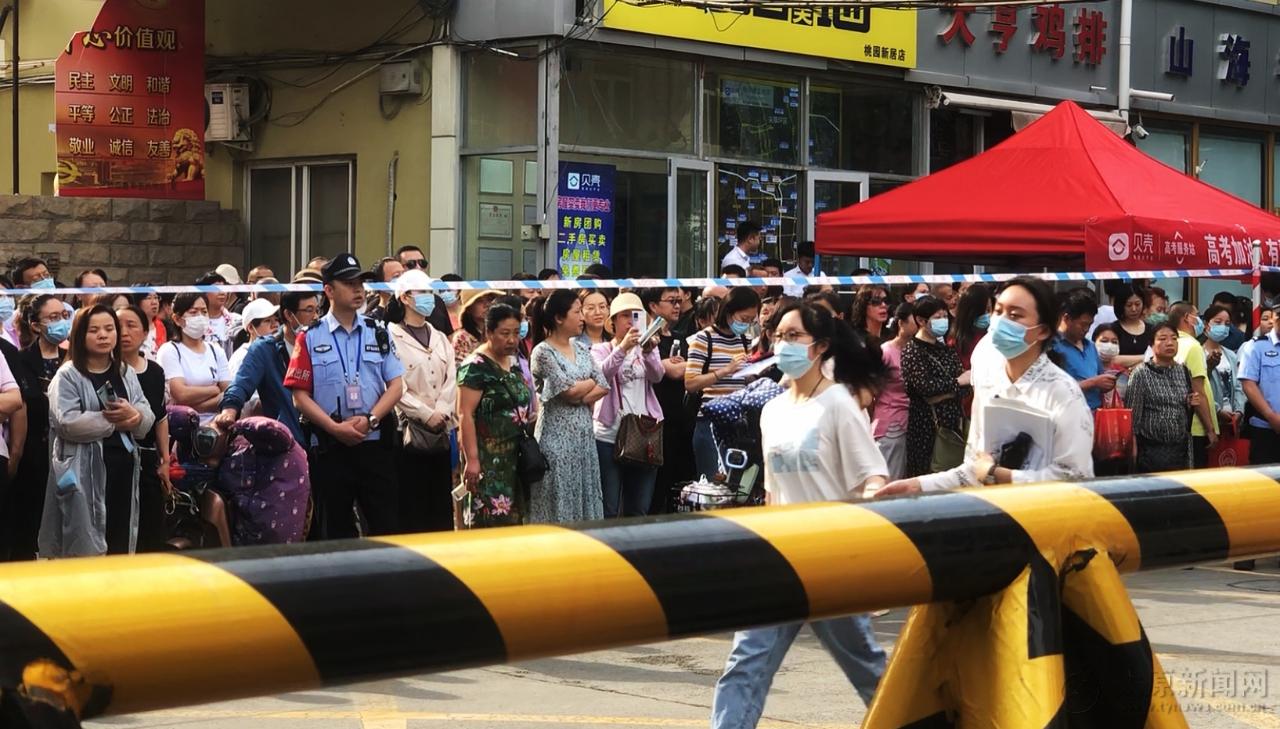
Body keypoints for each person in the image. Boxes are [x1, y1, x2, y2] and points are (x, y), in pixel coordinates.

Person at [711, 302, 887, 729]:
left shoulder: (839, 404)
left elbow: (873, 476)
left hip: (831, 560)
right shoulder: (773, 410)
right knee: (745, 663)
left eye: (794, 336)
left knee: (866, 668)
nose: (783, 345)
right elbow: (773, 490)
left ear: (820, 346)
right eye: (778, 336)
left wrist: (864, 533)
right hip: (781, 557)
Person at [881, 277, 1094, 495]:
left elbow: (1076, 477)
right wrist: (918, 485)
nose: (1001, 321)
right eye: (998, 311)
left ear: (1043, 330)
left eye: (1015, 315)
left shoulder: (1063, 392)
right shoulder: (989, 384)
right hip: (994, 510)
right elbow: (972, 471)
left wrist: (998, 474)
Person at [285, 253, 404, 540]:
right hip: (331, 446)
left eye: (360, 283)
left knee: (386, 526)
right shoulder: (309, 336)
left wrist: (371, 419)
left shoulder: (378, 332)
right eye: (349, 284)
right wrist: (334, 427)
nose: (358, 290)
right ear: (329, 290)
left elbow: (396, 385)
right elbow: (300, 396)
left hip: (374, 442)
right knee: (336, 530)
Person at [38, 305, 155, 557]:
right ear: (80, 335)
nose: (103, 335)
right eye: (94, 330)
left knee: (120, 535)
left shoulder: (124, 371)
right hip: (82, 471)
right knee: (84, 541)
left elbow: (146, 415)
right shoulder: (68, 375)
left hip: (123, 469)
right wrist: (114, 421)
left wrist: (135, 417)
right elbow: (68, 423)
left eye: (109, 328)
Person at [528, 290, 608, 523]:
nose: (582, 317)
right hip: (556, 439)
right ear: (559, 318)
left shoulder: (581, 348)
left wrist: (580, 394)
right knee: (558, 499)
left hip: (584, 438)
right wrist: (587, 384)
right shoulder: (543, 352)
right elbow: (568, 392)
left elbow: (603, 385)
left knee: (585, 497)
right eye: (577, 312)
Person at [389, 269, 457, 533]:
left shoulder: (439, 337)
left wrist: (441, 410)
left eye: (430, 292)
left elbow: (451, 377)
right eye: (422, 292)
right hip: (408, 432)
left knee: (440, 504)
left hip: (441, 430)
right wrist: (424, 413)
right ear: (405, 298)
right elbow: (395, 385)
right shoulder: (391, 336)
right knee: (411, 505)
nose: (429, 297)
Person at [457, 302, 532, 528]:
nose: (512, 340)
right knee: (488, 520)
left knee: (514, 521)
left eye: (516, 333)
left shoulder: (513, 361)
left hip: (515, 457)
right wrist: (472, 460)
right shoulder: (475, 366)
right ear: (489, 332)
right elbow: (465, 414)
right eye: (505, 334)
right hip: (487, 458)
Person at [5, 295, 69, 560]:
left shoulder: (73, 360)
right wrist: (16, 453)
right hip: (33, 455)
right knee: (28, 526)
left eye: (64, 316)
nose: (61, 322)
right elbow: (19, 406)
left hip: (69, 454)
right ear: (35, 324)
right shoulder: (20, 360)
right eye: (52, 318)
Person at [591, 293, 664, 519]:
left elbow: (658, 376)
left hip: (644, 434)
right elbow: (601, 375)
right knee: (608, 507)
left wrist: (648, 352)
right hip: (608, 435)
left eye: (636, 315)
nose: (630, 321)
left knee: (638, 508)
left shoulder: (648, 347)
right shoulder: (600, 349)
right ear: (613, 321)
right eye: (624, 316)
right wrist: (622, 348)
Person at [216, 292, 319, 445]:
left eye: (318, 310)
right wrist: (229, 409)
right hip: (286, 442)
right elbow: (241, 384)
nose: (316, 317)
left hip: (326, 437)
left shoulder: (324, 345)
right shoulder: (265, 349)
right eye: (309, 310)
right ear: (289, 315)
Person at [115, 304, 173, 552]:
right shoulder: (106, 370)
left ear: (145, 331)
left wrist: (165, 460)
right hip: (115, 457)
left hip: (147, 458)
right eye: (118, 326)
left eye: (131, 325)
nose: (124, 332)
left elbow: (160, 417)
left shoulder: (155, 371)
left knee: (149, 529)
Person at [685, 287, 760, 479]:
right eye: (743, 319)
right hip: (710, 421)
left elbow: (743, 379)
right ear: (728, 311)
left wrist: (753, 374)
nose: (746, 324)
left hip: (737, 422)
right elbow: (691, 383)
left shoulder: (745, 340)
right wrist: (725, 370)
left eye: (751, 320)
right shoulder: (704, 338)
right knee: (714, 483)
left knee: (736, 485)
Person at [900, 296, 968, 478]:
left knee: (952, 477)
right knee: (926, 477)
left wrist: (946, 391)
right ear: (921, 321)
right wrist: (956, 383)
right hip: (926, 429)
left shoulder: (945, 348)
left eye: (945, 316)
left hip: (952, 426)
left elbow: (967, 385)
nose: (943, 321)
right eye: (938, 317)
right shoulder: (913, 351)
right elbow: (926, 389)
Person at [641, 286, 690, 513]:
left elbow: (688, 369)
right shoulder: (646, 340)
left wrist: (672, 365)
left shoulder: (681, 337)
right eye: (671, 301)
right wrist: (667, 366)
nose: (677, 306)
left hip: (679, 418)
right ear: (653, 305)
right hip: (652, 420)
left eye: (679, 301)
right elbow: (671, 372)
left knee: (676, 480)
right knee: (654, 486)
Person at [1127, 322, 1196, 472]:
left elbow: (1185, 411)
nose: (1169, 343)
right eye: (1162, 339)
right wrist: (1133, 449)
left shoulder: (1184, 371)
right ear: (1151, 344)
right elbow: (1132, 417)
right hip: (1151, 450)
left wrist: (1190, 403)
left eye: (1174, 338)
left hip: (1180, 448)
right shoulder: (1141, 373)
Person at [156, 293, 231, 425]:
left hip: (216, 425)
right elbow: (181, 394)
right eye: (193, 312)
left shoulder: (216, 350)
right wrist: (214, 390)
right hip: (183, 426)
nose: (200, 317)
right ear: (177, 319)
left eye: (204, 312)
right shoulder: (170, 350)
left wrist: (198, 405)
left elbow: (229, 392)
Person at [1168, 302, 1219, 467]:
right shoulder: (1193, 346)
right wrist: (1210, 429)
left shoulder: (1172, 344)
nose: (1200, 321)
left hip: (1178, 424)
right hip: (1196, 425)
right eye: (1197, 315)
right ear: (1187, 318)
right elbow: (1198, 391)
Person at [1052, 287, 1113, 411]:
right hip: (1067, 413)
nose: (1086, 329)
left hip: (1095, 414)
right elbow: (1053, 389)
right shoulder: (1052, 346)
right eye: (1083, 324)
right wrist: (1092, 383)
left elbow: (1100, 376)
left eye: (1090, 325)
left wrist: (1106, 382)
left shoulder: (1090, 347)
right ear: (1066, 318)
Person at [875, 303, 915, 480]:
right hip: (892, 425)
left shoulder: (916, 350)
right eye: (915, 320)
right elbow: (872, 391)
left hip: (912, 423)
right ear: (901, 323)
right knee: (890, 480)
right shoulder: (886, 351)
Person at [1201, 304, 1246, 430]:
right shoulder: (1199, 353)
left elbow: (1239, 385)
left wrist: (1239, 410)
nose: (1223, 327)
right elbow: (1200, 387)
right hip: (1209, 419)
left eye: (1227, 324)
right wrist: (1217, 410)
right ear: (1206, 324)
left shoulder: (1231, 355)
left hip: (1232, 419)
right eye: (1218, 322)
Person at [228, 298, 280, 380]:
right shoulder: (242, 357)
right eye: (267, 321)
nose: (275, 325)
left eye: (276, 320)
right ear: (251, 328)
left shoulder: (280, 350)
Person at [195, 271, 242, 360]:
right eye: (216, 288)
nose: (222, 293)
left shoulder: (237, 320)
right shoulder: (195, 322)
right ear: (204, 292)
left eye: (224, 288)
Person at [451, 289, 502, 365]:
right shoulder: (462, 338)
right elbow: (461, 368)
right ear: (469, 309)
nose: (487, 305)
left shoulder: (500, 333)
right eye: (479, 301)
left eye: (489, 299)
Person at [952, 283, 994, 370]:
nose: (987, 315)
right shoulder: (956, 342)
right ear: (970, 313)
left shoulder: (994, 335)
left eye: (988, 310)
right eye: (982, 311)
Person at [1110, 283, 1151, 369]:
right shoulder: (1112, 329)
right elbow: (1111, 359)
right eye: (1129, 305)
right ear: (1121, 306)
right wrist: (1145, 357)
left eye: (1137, 304)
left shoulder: (1151, 329)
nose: (1134, 309)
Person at [1092, 324, 1127, 408]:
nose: (1109, 346)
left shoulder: (1124, 374)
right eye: (1104, 341)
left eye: (1114, 342)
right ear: (1093, 342)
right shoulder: (1087, 370)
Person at [131, 288, 167, 359]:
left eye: (156, 297)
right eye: (149, 298)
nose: (154, 302)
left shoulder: (162, 326)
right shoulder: (131, 327)